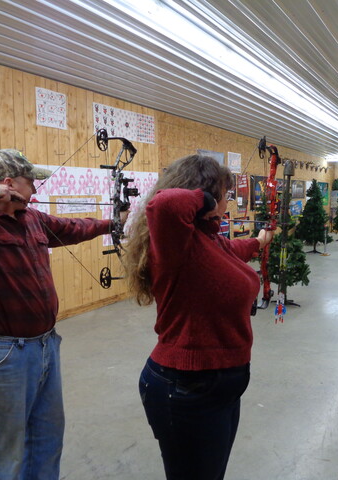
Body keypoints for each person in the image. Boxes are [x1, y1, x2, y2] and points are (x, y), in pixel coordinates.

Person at [124, 154, 274, 480]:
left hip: (219, 386)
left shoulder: (206, 239)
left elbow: (230, 251)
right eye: (224, 193)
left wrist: (259, 242)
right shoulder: (176, 242)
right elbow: (162, 205)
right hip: (186, 387)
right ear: (205, 194)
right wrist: (206, 196)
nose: (228, 200)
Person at [0, 148, 128, 480]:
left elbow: (72, 226)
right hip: (6, 353)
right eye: (31, 183)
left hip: (45, 345)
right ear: (9, 183)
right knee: (5, 450)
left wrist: (111, 223)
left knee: (47, 437)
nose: (36, 190)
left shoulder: (34, 219)